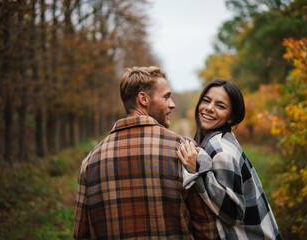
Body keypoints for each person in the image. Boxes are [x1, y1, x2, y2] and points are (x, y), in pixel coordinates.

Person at [73, 66, 216, 239]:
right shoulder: (184, 150)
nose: (172, 104)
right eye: (166, 97)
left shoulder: (90, 161)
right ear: (143, 99)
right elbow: (204, 223)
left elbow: (81, 233)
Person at [177, 79, 282, 240]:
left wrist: (197, 172)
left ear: (231, 117)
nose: (209, 108)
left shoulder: (220, 150)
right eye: (206, 100)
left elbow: (233, 213)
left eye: (220, 106)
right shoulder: (221, 139)